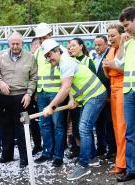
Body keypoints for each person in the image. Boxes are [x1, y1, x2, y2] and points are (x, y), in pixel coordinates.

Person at [41, 39, 107, 180]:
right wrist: (72, 100)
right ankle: (91, 158)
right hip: (89, 97)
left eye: (49, 55)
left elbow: (64, 88)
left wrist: (51, 106)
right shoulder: (63, 62)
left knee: (83, 127)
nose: (48, 59)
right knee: (84, 128)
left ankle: (84, 165)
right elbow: (70, 85)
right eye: (46, 56)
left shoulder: (66, 62)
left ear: (57, 51)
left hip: (96, 95)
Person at [0, 31, 37, 168]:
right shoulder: (0, 56)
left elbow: (34, 77)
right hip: (4, 97)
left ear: (22, 43)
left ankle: (25, 158)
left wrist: (29, 93)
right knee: (5, 127)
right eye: (13, 43)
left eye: (18, 43)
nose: (15, 46)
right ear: (9, 43)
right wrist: (0, 82)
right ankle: (6, 156)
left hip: (22, 98)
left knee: (23, 128)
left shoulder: (30, 58)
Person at [33, 22, 68, 167]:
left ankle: (58, 156)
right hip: (41, 93)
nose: (42, 40)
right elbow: (35, 73)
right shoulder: (38, 52)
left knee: (58, 125)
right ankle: (47, 153)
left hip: (56, 93)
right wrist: (35, 91)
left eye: (44, 37)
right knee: (44, 125)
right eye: (40, 38)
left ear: (51, 35)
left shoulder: (62, 50)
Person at [109, 6, 135, 182]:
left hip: (127, 92)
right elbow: (118, 63)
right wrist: (124, 44)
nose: (125, 29)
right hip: (129, 92)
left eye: (126, 25)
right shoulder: (129, 41)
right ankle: (132, 169)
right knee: (130, 133)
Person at [102, 24, 126, 174]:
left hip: (124, 88)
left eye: (113, 35)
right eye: (109, 36)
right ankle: (120, 161)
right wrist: (106, 67)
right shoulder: (111, 50)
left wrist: (112, 66)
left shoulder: (127, 48)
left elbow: (128, 69)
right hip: (113, 89)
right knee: (116, 127)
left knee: (122, 128)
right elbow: (108, 74)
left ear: (121, 35)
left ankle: (122, 164)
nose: (110, 39)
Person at [67, 38, 96, 160]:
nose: (71, 48)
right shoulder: (69, 62)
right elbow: (66, 84)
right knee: (76, 130)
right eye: (69, 46)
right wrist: (71, 99)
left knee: (85, 129)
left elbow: (94, 83)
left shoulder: (88, 61)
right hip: (74, 102)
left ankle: (90, 154)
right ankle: (79, 151)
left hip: (86, 101)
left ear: (81, 46)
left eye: (74, 45)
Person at [92, 35, 116, 159]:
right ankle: (101, 148)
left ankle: (112, 149)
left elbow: (112, 77)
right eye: (95, 45)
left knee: (108, 123)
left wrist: (109, 93)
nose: (96, 47)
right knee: (99, 123)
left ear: (106, 44)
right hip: (97, 96)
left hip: (107, 96)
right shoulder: (96, 57)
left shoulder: (109, 56)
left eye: (99, 44)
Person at [29, 38, 42, 155]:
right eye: (35, 45)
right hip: (31, 95)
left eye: (39, 45)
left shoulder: (45, 57)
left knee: (49, 121)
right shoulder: (29, 58)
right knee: (33, 122)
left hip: (44, 93)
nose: (37, 47)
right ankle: (37, 145)